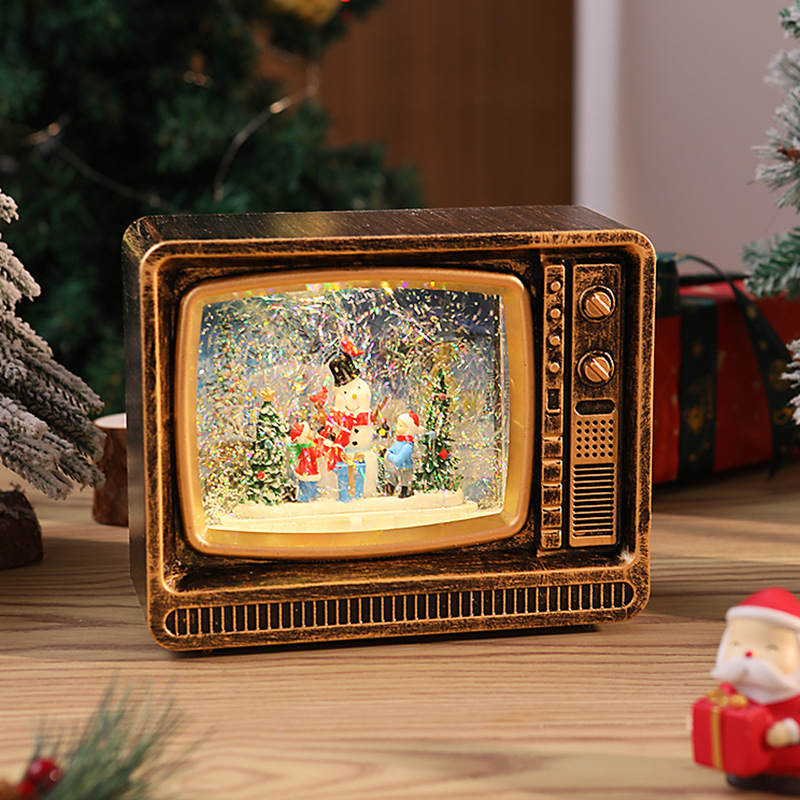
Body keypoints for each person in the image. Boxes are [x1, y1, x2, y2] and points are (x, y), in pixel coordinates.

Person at [697, 587, 800, 794]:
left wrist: (788, 731)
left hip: (790, 763)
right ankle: (748, 774)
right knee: (743, 776)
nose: (749, 653)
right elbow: (718, 706)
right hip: (744, 759)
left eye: (772, 648)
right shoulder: (733, 688)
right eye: (736, 644)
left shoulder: (793, 696)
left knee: (787, 782)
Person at [385, 412, 419, 498]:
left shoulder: (408, 446)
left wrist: (387, 455)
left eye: (400, 425)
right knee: (393, 475)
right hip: (397, 468)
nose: (396, 426)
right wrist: (386, 451)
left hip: (405, 468)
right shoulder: (398, 442)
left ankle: (406, 490)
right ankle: (390, 488)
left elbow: (398, 460)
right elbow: (392, 451)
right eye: (397, 424)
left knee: (405, 479)